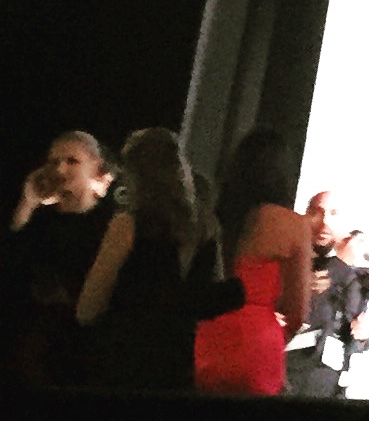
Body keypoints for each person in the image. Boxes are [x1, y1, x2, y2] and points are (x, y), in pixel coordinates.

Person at [74, 125, 243, 388]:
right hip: (177, 364)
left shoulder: (127, 225)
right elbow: (211, 290)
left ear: (135, 175)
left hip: (125, 363)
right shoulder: (206, 227)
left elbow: (88, 309)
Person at [195, 125, 312, 395]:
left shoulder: (212, 217)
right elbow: (298, 311)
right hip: (257, 344)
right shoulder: (291, 225)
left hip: (205, 338)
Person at [5, 129, 115, 386]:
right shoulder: (41, 222)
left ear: (94, 166)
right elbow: (11, 262)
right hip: (37, 344)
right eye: (53, 162)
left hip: (88, 345)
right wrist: (27, 203)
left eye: (72, 161)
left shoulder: (109, 224)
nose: (60, 169)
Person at [287, 190, 369, 396]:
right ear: (304, 217)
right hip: (288, 383)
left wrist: (365, 335)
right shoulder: (289, 261)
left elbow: (352, 331)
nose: (325, 221)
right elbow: (301, 316)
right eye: (316, 212)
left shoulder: (354, 274)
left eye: (334, 213)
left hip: (329, 388)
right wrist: (339, 265)